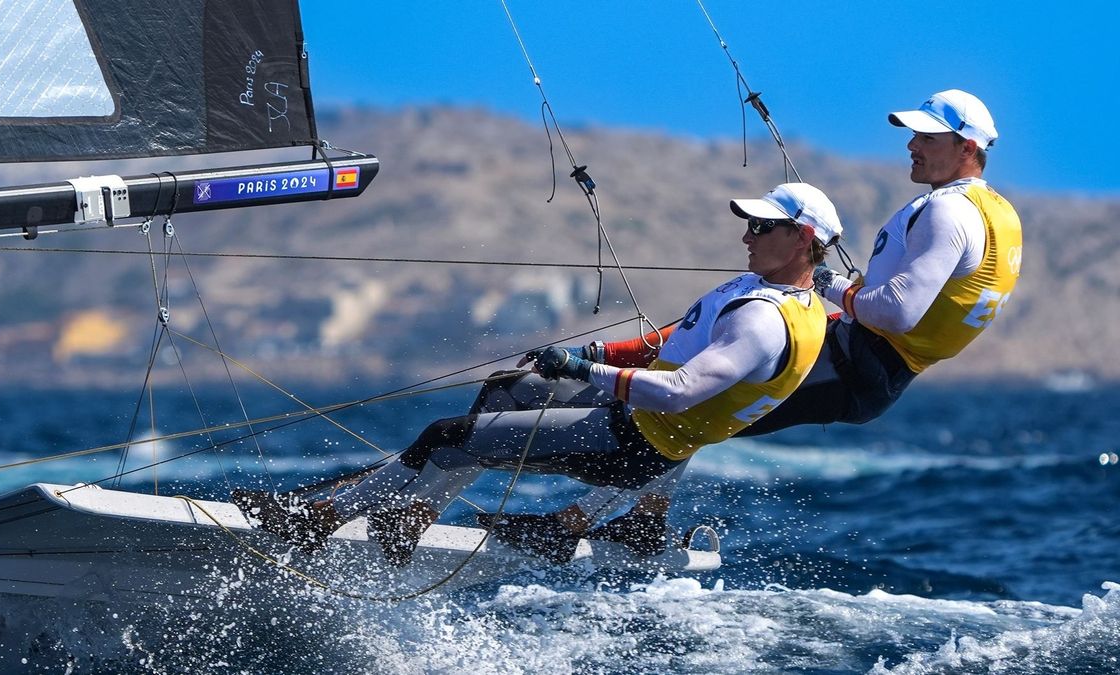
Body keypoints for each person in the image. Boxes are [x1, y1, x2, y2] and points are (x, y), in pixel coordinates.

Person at [528, 88, 1025, 558]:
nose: (911, 145)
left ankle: (580, 522)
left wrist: (832, 287)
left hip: (858, 364)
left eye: (927, 137)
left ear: (967, 146)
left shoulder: (948, 212)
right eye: (912, 134)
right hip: (864, 359)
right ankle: (643, 520)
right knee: (709, 367)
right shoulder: (997, 212)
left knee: (696, 397)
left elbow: (896, 311)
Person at [235, 182, 843, 565]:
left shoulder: (765, 322)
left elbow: (682, 391)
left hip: (633, 444)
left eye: (763, 227)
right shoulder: (770, 291)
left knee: (443, 437)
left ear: (803, 238)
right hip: (626, 416)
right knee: (508, 391)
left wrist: (580, 370)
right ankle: (410, 516)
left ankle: (318, 522)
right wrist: (601, 353)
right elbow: (676, 342)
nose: (747, 233)